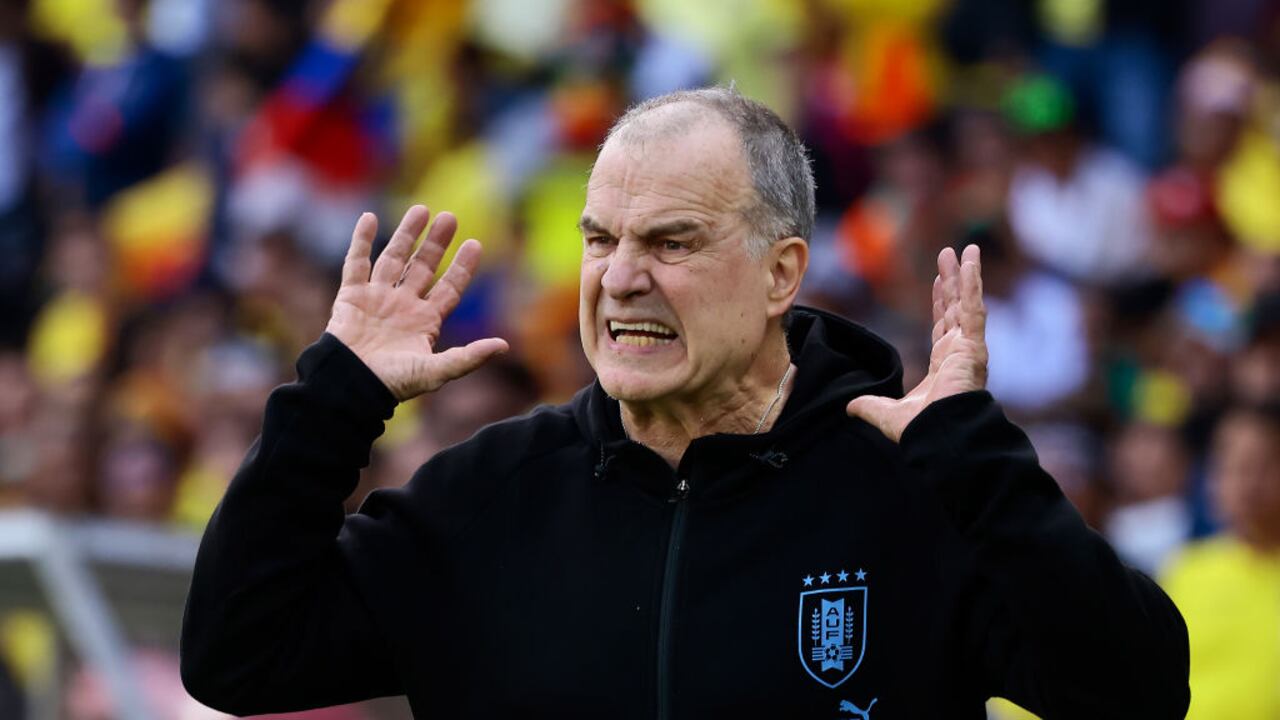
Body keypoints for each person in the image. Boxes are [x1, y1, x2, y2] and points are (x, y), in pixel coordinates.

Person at [180, 87, 1189, 718]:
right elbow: (237, 657)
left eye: (670, 243)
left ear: (777, 274)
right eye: (597, 240)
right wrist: (335, 401)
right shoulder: (485, 496)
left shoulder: (921, 485)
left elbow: (1137, 694)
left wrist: (980, 463)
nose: (618, 279)